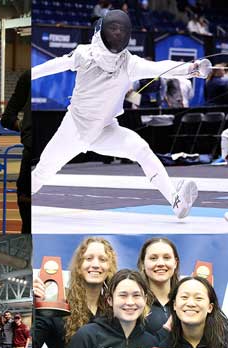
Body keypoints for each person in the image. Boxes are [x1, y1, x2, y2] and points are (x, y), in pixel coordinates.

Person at [31, 10, 205, 219]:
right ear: (103, 30)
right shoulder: (83, 54)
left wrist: (192, 69)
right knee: (42, 172)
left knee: (141, 149)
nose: (117, 33)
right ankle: (23, 200)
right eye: (113, 28)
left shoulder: (129, 63)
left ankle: (177, 203)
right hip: (75, 128)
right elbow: (54, 65)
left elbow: (160, 68)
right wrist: (28, 77)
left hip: (105, 130)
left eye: (122, 30)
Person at [0, 70, 31, 233]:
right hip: (31, 162)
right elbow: (7, 118)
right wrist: (26, 128)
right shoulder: (29, 77)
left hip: (62, 164)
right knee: (28, 227)